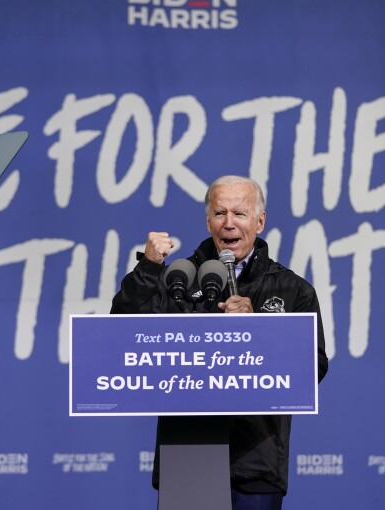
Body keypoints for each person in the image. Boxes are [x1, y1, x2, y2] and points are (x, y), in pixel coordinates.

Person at [111, 175, 329, 510]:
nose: (229, 224)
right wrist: (149, 268)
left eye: (239, 214)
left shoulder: (291, 290)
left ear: (260, 221)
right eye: (219, 213)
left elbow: (312, 368)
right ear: (208, 219)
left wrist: (258, 329)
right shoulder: (178, 277)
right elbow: (124, 334)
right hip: (187, 453)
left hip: (257, 456)